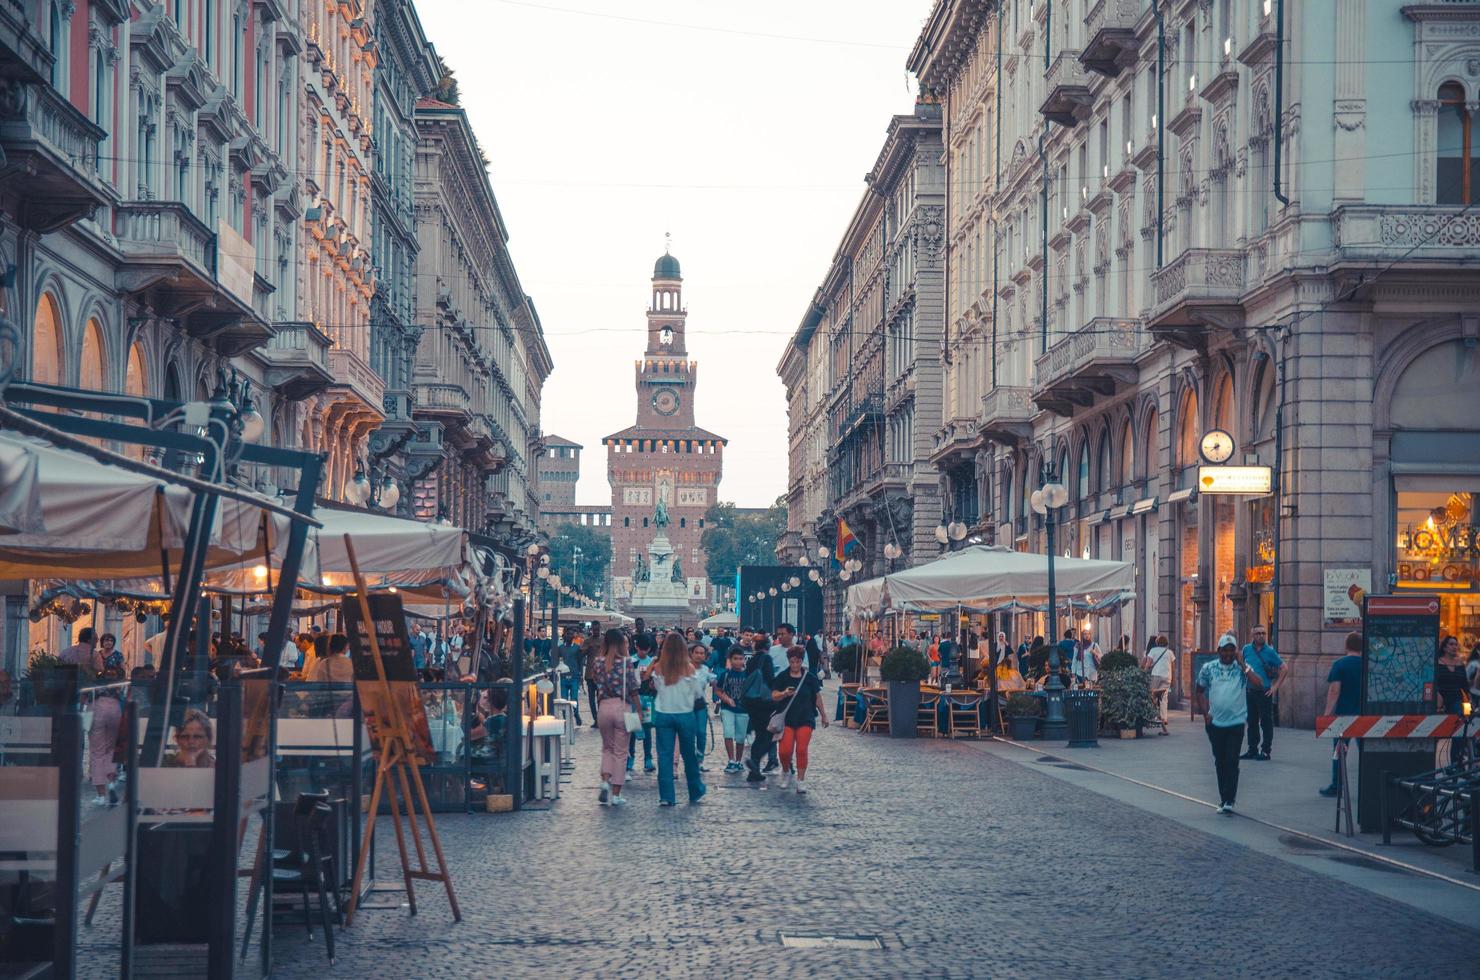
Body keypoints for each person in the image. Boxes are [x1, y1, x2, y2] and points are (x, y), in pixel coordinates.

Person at [1195, 633, 1263, 814]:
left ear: (1236, 652)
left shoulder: (1242, 669)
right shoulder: (1209, 668)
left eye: (1231, 650)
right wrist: (1205, 714)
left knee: (1232, 760)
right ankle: (1224, 796)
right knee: (1220, 761)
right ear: (1218, 651)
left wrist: (1242, 664)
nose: (1228, 654)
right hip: (1215, 723)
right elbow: (1199, 690)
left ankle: (1229, 800)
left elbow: (1259, 684)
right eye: (1224, 650)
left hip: (1236, 722)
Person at [650, 634, 707, 806]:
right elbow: (698, 693)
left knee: (665, 756)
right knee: (689, 755)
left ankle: (667, 796)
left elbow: (657, 688)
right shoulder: (689, 669)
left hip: (664, 713)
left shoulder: (659, 667)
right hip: (684, 714)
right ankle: (695, 790)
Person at [591, 629, 642, 806]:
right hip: (622, 706)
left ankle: (605, 781)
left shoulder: (598, 662)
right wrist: (640, 711)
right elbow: (633, 688)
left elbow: (596, 683)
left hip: (603, 707)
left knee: (607, 748)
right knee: (621, 753)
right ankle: (616, 794)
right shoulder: (627, 662)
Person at [771, 646, 828, 793]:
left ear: (801, 661)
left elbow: (817, 697)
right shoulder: (783, 677)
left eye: (797, 662)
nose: (795, 665)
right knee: (785, 751)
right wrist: (784, 693)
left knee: (802, 750)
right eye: (792, 662)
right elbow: (774, 695)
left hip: (806, 717)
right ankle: (786, 771)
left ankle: (801, 780)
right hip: (787, 719)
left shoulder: (809, 678)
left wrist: (823, 715)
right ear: (789, 661)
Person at [1320, 632, 1364, 797]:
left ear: (1346, 646)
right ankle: (1366, 785)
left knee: (1339, 751)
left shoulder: (1340, 664)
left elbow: (1334, 690)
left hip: (1343, 715)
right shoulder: (1367, 664)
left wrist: (1326, 714)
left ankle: (1336, 785)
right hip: (1364, 716)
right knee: (1365, 752)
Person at [1240, 625, 1285, 761]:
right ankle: (1252, 750)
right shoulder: (1246, 649)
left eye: (1263, 633)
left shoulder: (1269, 651)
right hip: (1250, 690)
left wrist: (1275, 687)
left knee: (1266, 722)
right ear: (1252, 635)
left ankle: (1266, 751)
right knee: (1252, 722)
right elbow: (1241, 666)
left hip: (1264, 691)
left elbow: (1284, 668)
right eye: (1258, 633)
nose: (1261, 635)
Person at [743, 633, 778, 785]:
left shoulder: (751, 661)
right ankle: (755, 760)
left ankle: (754, 772)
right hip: (765, 702)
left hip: (752, 702)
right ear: (768, 647)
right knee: (770, 736)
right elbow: (770, 679)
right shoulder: (767, 659)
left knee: (759, 735)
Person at [715, 648, 751, 772]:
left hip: (743, 710)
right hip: (727, 708)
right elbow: (718, 690)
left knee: (741, 737)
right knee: (728, 733)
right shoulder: (725, 674)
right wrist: (727, 699)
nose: (738, 661)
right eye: (735, 659)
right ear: (730, 660)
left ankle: (738, 761)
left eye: (740, 659)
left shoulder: (747, 674)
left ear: (744, 660)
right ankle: (731, 760)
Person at [628, 632, 657, 775]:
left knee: (647, 731)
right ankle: (630, 758)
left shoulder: (651, 662)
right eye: (641, 649)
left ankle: (648, 758)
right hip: (634, 699)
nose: (644, 652)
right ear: (636, 647)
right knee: (632, 731)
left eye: (646, 650)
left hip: (647, 699)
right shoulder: (631, 661)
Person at [689, 642, 714, 771]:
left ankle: (700, 760)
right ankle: (690, 759)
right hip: (686, 706)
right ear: (691, 654)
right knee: (688, 733)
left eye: (702, 653)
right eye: (696, 653)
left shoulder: (705, 669)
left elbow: (715, 683)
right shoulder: (685, 668)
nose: (699, 655)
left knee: (701, 733)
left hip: (700, 705)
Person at [1142, 634, 1174, 726]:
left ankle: (1154, 716)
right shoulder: (1169, 652)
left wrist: (1143, 673)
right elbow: (1173, 667)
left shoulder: (1153, 650)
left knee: (1153, 695)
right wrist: (1173, 680)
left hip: (1156, 675)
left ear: (1157, 642)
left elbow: (1148, 664)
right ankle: (1164, 718)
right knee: (1164, 697)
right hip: (1167, 676)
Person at [558, 628, 585, 724]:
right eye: (568, 634)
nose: (569, 636)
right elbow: (557, 661)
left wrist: (581, 675)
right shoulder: (560, 648)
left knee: (574, 698)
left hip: (574, 677)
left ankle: (576, 714)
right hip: (563, 677)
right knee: (564, 700)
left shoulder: (577, 648)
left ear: (573, 636)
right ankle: (566, 719)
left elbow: (580, 662)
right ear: (564, 636)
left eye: (571, 634)